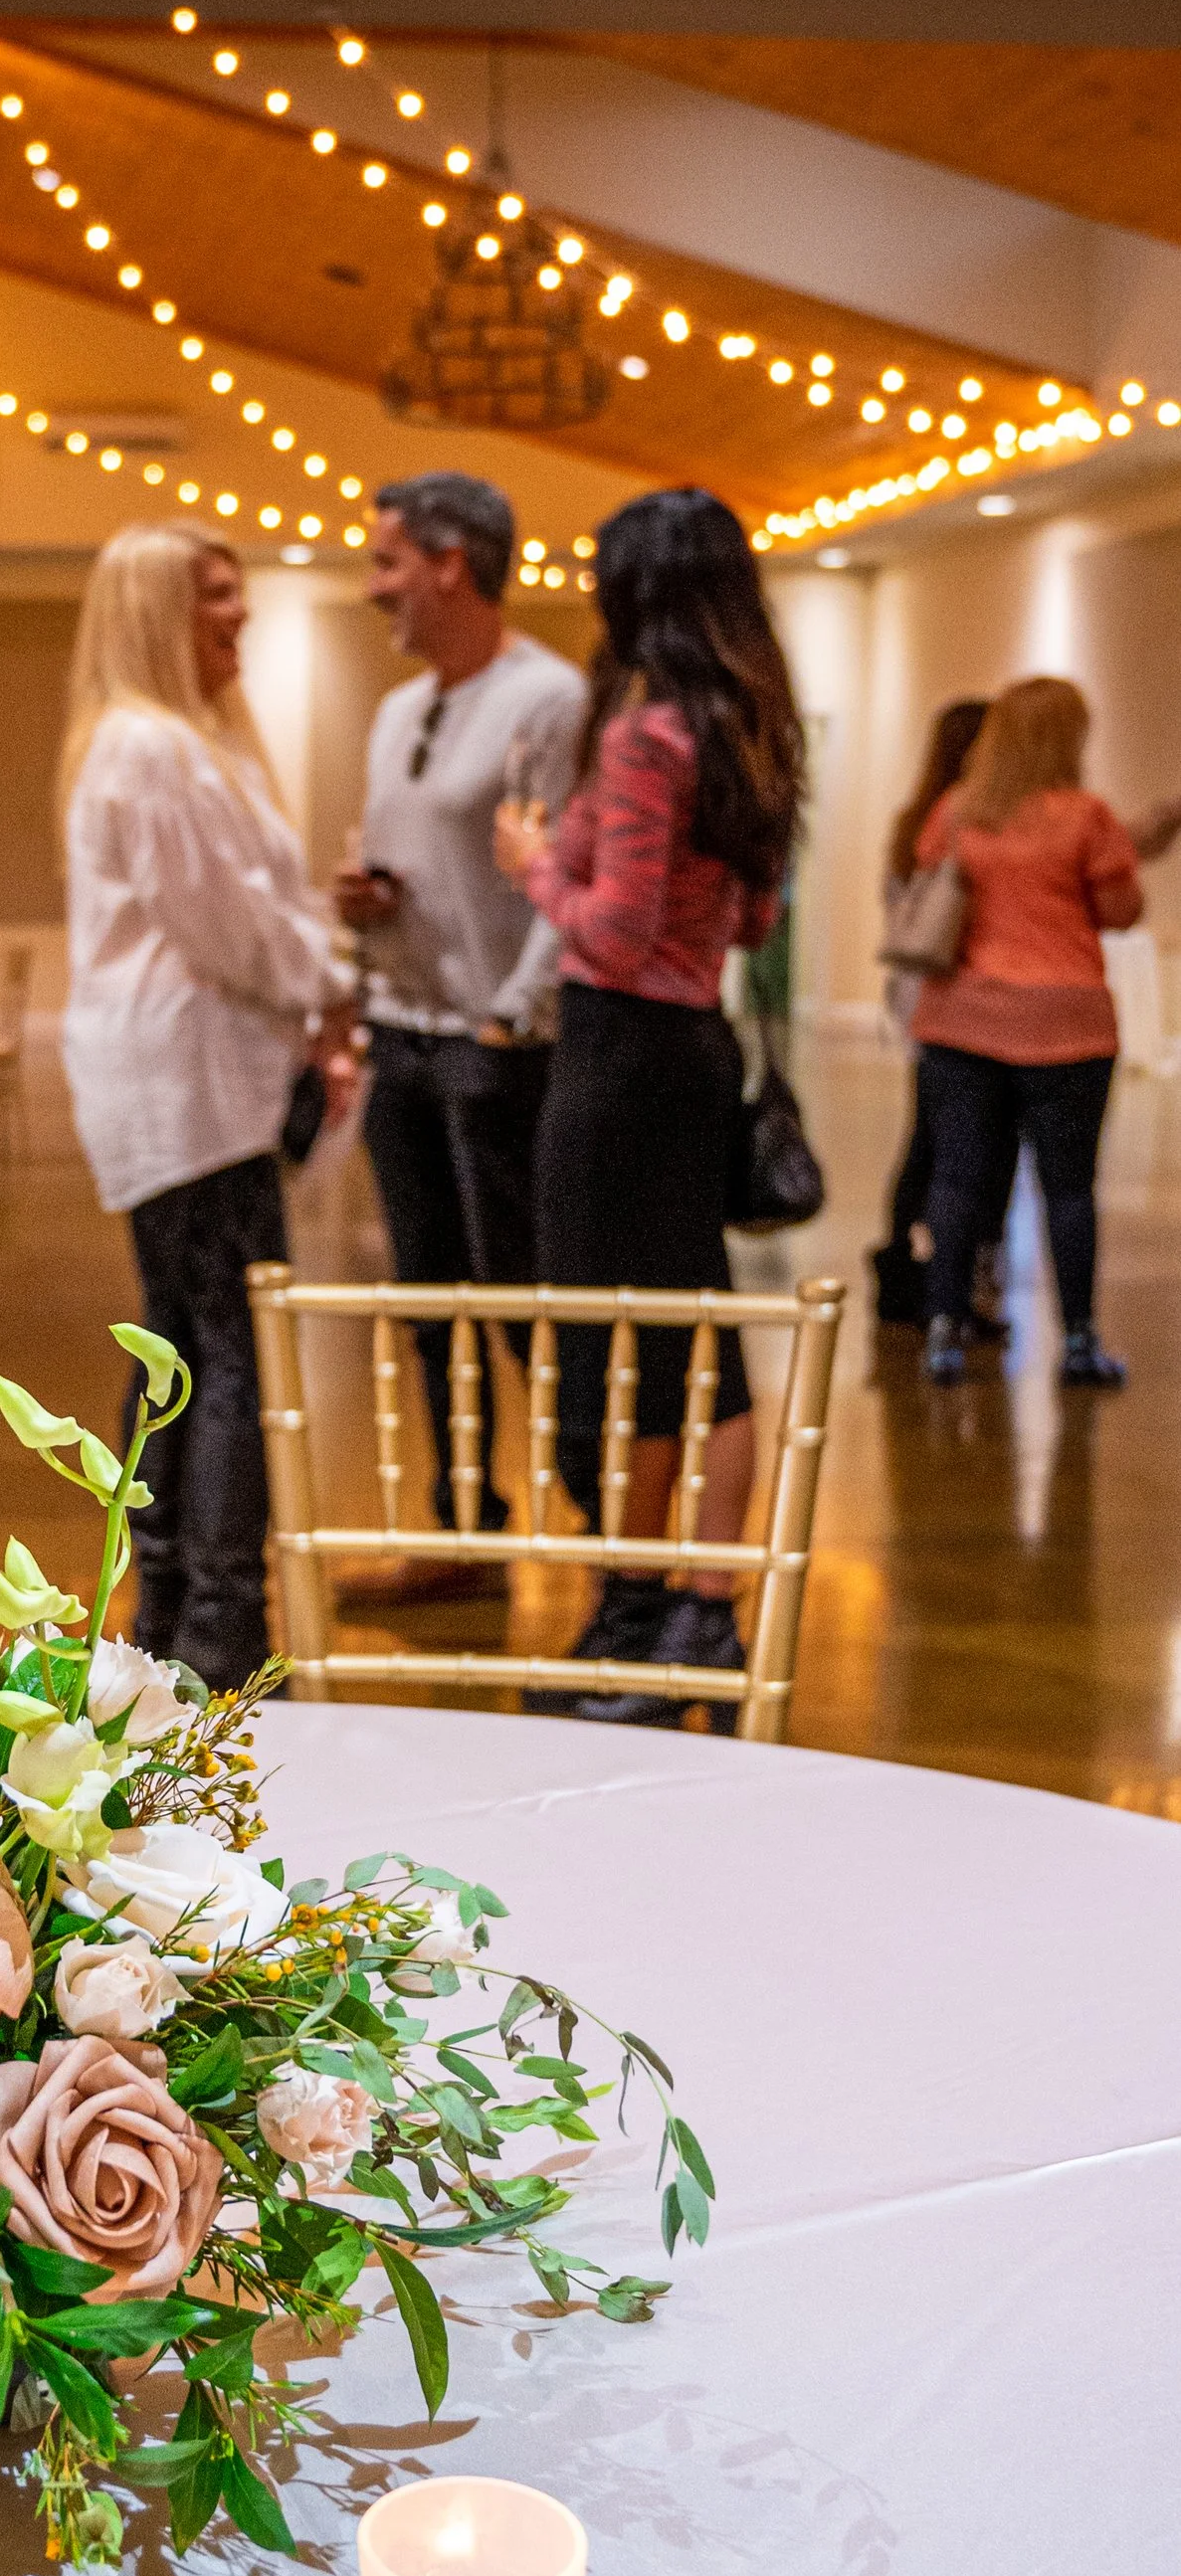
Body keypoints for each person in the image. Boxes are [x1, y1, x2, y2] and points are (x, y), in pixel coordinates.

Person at [495, 487, 802, 1718]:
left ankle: (628, 1616)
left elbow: (614, 933)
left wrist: (533, 870)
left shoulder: (642, 737)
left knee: (600, 1335)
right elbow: (754, 918)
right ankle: (702, 1612)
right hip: (695, 1050)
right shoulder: (752, 733)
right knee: (693, 1324)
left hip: (618, 1060)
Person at [60, 521, 344, 1689]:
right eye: (214, 598)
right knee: (225, 1351)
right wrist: (333, 983)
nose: (238, 616)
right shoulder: (152, 748)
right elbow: (225, 926)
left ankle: (170, 1600)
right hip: (189, 1087)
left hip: (186, 1083)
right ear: (155, 614)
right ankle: (222, 1617)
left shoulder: (163, 744)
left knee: (175, 1343)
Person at [338, 470, 585, 1592]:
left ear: (450, 563)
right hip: (403, 1034)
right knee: (430, 1303)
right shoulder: (397, 709)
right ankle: (461, 1532)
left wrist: (504, 1019)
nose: (372, 584)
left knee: (524, 1303)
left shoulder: (549, 699)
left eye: (387, 560)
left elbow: (562, 878)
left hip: (502, 1048)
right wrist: (367, 900)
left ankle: (597, 1537)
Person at [908, 676, 1143, 1387]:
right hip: (1065, 1027)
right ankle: (1077, 1340)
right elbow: (1121, 909)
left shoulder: (958, 811)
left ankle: (945, 1329)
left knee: (955, 1178)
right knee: (1069, 1189)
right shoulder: (1086, 817)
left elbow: (927, 878)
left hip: (963, 1020)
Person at [871, 696, 996, 1332]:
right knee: (950, 1148)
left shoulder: (911, 822)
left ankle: (906, 1268)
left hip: (918, 996)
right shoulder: (961, 823)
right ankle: (932, 1277)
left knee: (927, 1138)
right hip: (953, 1000)